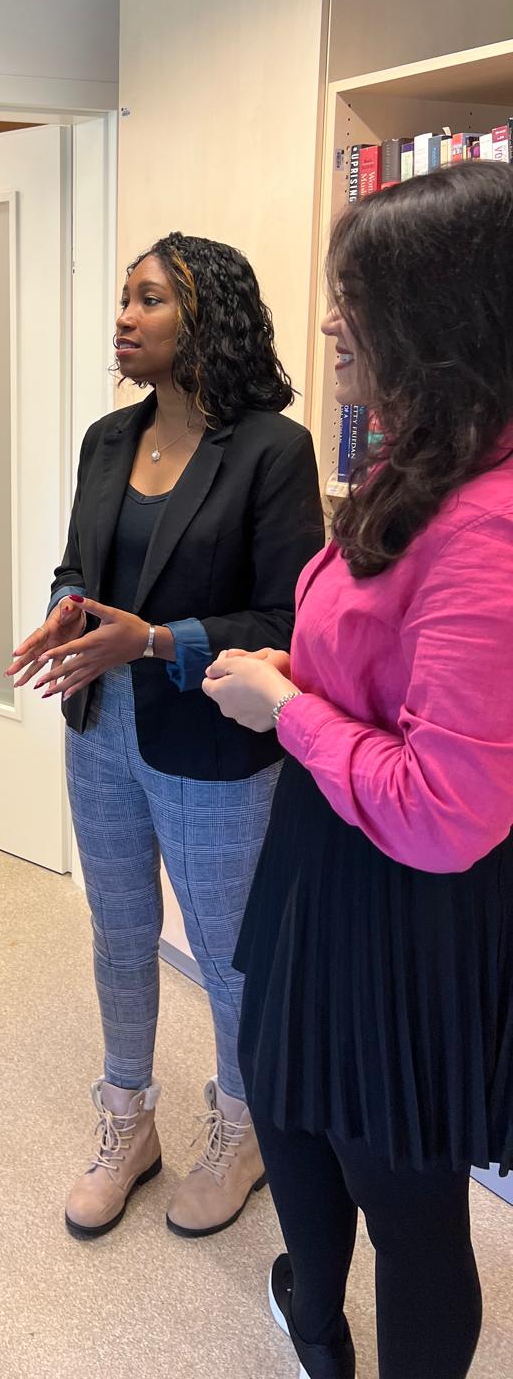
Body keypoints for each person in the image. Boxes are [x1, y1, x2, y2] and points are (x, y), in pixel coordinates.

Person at [204, 162, 513, 1379]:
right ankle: (317, 1324)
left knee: (403, 1193)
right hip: (323, 850)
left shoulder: (489, 524)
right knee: (286, 1096)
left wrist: (288, 707)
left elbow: (446, 812)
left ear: (441, 318)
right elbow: (384, 665)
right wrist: (306, 676)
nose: (330, 321)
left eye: (356, 298)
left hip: (403, 901)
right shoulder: (418, 463)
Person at [10, 233, 323, 1242]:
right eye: (124, 297)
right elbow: (76, 565)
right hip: (100, 724)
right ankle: (128, 1120)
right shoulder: (108, 439)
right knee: (118, 930)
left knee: (229, 955)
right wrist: (66, 612)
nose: (124, 316)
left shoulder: (272, 450)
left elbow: (288, 620)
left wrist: (151, 641)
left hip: (213, 740)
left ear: (205, 319)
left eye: (148, 299)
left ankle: (242, 1129)